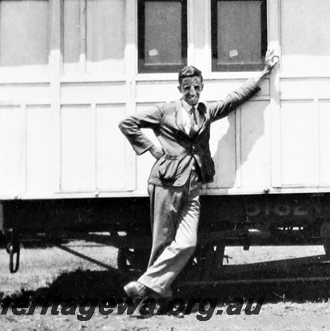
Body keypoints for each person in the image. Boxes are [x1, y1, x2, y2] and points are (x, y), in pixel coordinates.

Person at [119, 48, 279, 299]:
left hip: (193, 187)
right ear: (179, 89)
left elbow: (234, 98)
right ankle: (156, 294)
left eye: (196, 87)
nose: (192, 92)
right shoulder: (164, 111)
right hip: (166, 183)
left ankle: (145, 286)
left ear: (202, 88)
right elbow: (128, 123)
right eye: (187, 88)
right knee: (162, 242)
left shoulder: (206, 112)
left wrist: (264, 72)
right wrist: (151, 148)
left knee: (188, 242)